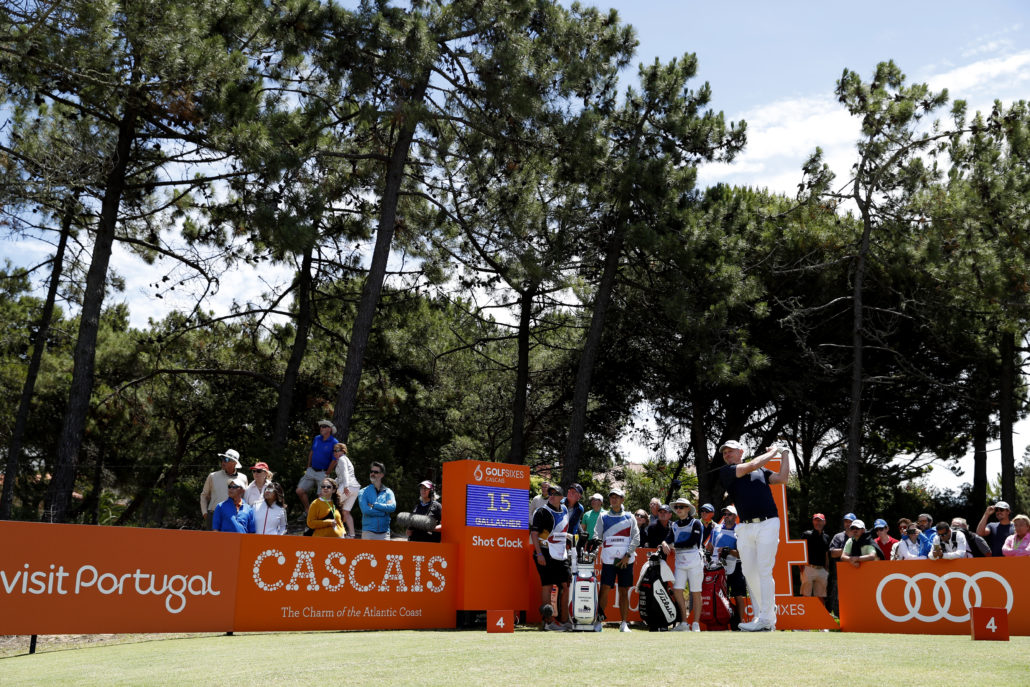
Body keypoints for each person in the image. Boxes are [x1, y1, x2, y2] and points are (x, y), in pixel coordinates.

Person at [717, 439, 790, 632]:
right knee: (749, 572)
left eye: (730, 451)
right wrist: (774, 450)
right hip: (746, 527)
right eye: (724, 453)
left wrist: (784, 453)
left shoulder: (761, 471)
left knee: (764, 569)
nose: (727, 455)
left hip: (768, 523)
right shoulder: (727, 472)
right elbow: (752, 464)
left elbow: (783, 478)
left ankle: (765, 618)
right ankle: (766, 612)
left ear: (741, 451)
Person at [594, 487, 638, 632]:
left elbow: (636, 538)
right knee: (605, 589)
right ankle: (599, 621)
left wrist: (628, 554)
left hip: (626, 560)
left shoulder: (630, 517)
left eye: (617, 497)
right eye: (612, 497)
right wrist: (595, 541)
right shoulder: (603, 516)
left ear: (622, 499)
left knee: (624, 590)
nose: (614, 499)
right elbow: (596, 535)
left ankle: (624, 623)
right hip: (608, 560)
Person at [530, 485, 572, 631]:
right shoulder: (541, 512)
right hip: (545, 552)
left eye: (555, 494)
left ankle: (565, 620)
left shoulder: (565, 510)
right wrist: (539, 554)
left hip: (561, 554)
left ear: (562, 497)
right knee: (547, 586)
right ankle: (548, 621)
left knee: (566, 586)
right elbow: (534, 534)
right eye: (550, 494)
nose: (552, 496)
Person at [662, 497, 704, 632]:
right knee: (677, 590)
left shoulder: (696, 523)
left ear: (688, 509)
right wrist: (664, 543)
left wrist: (672, 545)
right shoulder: (674, 525)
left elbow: (692, 541)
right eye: (677, 507)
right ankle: (684, 623)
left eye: (681, 507)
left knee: (696, 592)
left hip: (694, 561)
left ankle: (696, 623)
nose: (678, 509)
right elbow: (668, 539)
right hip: (680, 562)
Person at [708, 505, 748, 624]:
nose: (726, 516)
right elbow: (710, 547)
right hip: (717, 566)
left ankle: (740, 622)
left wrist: (729, 551)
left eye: (729, 514)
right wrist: (706, 557)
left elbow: (742, 554)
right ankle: (721, 620)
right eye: (725, 514)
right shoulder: (716, 529)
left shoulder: (739, 532)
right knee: (718, 594)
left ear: (735, 517)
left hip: (735, 566)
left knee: (738, 595)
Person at [296, 419, 339, 513]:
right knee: (299, 491)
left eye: (324, 427)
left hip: (323, 473)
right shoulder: (317, 438)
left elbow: (334, 460)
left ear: (329, 429)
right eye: (321, 426)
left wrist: (327, 473)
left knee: (321, 497)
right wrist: (308, 466)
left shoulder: (334, 442)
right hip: (311, 470)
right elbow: (312, 452)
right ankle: (308, 511)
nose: (321, 428)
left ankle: (317, 517)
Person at [200, 449, 248, 530]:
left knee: (230, 542)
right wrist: (205, 513)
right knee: (212, 542)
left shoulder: (243, 478)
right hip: (213, 514)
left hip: (234, 516)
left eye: (226, 459)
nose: (223, 461)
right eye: (222, 459)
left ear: (235, 463)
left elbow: (245, 497)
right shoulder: (213, 476)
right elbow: (204, 495)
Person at [799, 513, 830, 610]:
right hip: (808, 568)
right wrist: (802, 568)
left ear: (824, 522)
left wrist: (826, 569)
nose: (818, 522)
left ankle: (821, 621)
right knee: (806, 596)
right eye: (816, 520)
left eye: (820, 520)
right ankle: (805, 620)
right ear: (813, 521)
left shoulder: (826, 537)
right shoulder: (806, 534)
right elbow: (800, 551)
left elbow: (826, 555)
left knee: (820, 597)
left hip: (821, 570)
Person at [827, 512, 856, 617]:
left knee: (855, 597)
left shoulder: (859, 536)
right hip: (839, 573)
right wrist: (847, 550)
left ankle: (854, 617)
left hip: (857, 572)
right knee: (837, 598)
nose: (848, 524)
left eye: (850, 522)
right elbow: (832, 553)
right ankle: (839, 618)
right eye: (846, 522)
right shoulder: (838, 537)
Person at [358, 461, 396, 539]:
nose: (372, 474)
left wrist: (375, 505)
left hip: (385, 533)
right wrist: (384, 512)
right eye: (371, 471)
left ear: (381, 475)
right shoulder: (363, 492)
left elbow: (392, 507)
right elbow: (366, 510)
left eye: (376, 472)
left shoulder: (388, 492)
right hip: (368, 533)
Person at [333, 443, 360, 538]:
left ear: (342, 451)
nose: (334, 453)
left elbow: (345, 473)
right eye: (334, 451)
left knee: (332, 506)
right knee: (346, 512)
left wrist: (346, 486)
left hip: (348, 486)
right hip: (355, 488)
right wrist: (332, 482)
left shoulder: (341, 459)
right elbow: (341, 476)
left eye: (336, 450)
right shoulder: (346, 459)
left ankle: (334, 532)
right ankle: (351, 535)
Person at [562, 484, 585, 550]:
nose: (570, 493)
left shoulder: (580, 509)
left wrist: (569, 542)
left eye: (574, 492)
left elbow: (575, 525)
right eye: (570, 491)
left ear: (579, 497)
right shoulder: (559, 502)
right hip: (556, 537)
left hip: (569, 540)